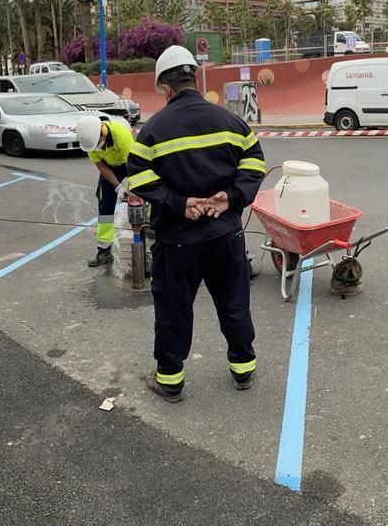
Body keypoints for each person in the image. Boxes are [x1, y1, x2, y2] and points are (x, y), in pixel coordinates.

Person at [127, 45, 267, 402]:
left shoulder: (154, 129)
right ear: (193, 78)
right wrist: (230, 198)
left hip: (178, 242)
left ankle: (170, 381)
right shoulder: (230, 121)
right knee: (234, 304)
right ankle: (243, 370)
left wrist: (178, 203)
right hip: (226, 235)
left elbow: (137, 177)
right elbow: (254, 161)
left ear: (165, 86)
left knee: (173, 310)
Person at [75, 115, 135, 268]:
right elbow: (101, 166)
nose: (96, 149)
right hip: (109, 168)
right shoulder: (90, 142)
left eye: (97, 144)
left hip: (130, 164)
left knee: (140, 198)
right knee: (104, 209)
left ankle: (148, 228)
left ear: (103, 132)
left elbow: (133, 165)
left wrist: (129, 187)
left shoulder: (121, 135)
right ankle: (104, 252)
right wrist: (118, 187)